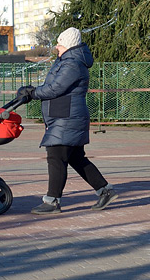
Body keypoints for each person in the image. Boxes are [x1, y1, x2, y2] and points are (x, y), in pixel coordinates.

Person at [17, 27, 118, 214]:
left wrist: (33, 93)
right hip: (65, 116)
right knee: (76, 158)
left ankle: (52, 201)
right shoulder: (69, 61)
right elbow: (53, 86)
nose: (56, 47)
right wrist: (33, 90)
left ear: (68, 45)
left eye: (60, 43)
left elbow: (56, 88)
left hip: (67, 118)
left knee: (55, 155)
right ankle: (105, 190)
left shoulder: (72, 64)